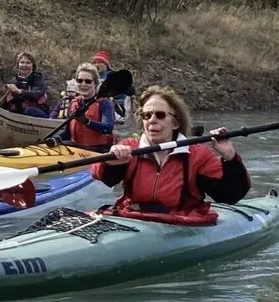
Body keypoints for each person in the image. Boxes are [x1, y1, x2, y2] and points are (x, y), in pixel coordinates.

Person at [92, 85, 249, 223]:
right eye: (147, 115)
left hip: (181, 222)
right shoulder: (130, 148)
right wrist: (110, 161)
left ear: (175, 123)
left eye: (160, 115)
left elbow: (230, 195)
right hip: (134, 218)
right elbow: (103, 178)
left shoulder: (197, 154)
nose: (152, 120)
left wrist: (230, 158)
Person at [48, 63, 116, 150]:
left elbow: (108, 128)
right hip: (77, 149)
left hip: (98, 150)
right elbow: (68, 134)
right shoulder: (73, 103)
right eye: (80, 81)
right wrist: (56, 139)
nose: (83, 84)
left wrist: (87, 122)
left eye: (88, 81)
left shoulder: (105, 103)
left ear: (95, 84)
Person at [0, 51, 51, 117]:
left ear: (33, 65)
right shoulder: (14, 80)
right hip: (18, 113)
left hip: (36, 112)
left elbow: (35, 95)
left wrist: (18, 91)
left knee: (29, 110)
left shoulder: (38, 79)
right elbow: (7, 101)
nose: (24, 65)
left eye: (28, 63)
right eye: (22, 62)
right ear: (18, 65)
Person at [92, 51, 135, 121]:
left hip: (116, 108)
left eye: (99, 62)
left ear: (106, 64)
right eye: (94, 63)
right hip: (95, 108)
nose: (96, 65)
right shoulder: (92, 77)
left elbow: (131, 90)